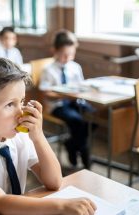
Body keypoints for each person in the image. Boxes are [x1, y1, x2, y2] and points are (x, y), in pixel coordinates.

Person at [0, 56, 97, 215]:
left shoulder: (19, 136)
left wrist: (38, 137)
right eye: (10, 104)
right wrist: (61, 206)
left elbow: (54, 181)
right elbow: (1, 202)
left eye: (22, 101)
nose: (21, 113)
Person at [39, 30, 94, 169]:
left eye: (71, 54)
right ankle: (85, 154)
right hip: (57, 105)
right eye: (64, 55)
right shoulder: (48, 69)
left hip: (75, 101)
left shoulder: (75, 67)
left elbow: (81, 86)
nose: (68, 57)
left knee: (93, 116)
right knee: (77, 121)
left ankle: (71, 144)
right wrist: (63, 95)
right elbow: (45, 92)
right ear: (55, 51)